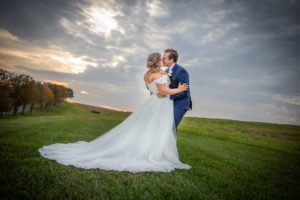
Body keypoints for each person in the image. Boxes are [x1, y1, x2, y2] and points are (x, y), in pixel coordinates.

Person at [39, 52, 192, 173]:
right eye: (161, 59)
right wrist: (178, 89)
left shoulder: (147, 74)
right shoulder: (159, 74)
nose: (163, 61)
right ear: (157, 61)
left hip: (154, 103)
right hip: (160, 104)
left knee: (149, 128)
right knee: (154, 128)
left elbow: (150, 89)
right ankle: (151, 153)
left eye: (164, 58)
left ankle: (149, 149)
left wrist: (158, 91)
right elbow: (163, 91)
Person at [162, 49, 192, 131]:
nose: (162, 59)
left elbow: (183, 91)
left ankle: (169, 144)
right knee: (163, 125)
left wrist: (166, 95)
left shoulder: (181, 71)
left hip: (180, 103)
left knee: (171, 126)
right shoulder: (164, 70)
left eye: (164, 58)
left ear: (171, 60)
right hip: (168, 102)